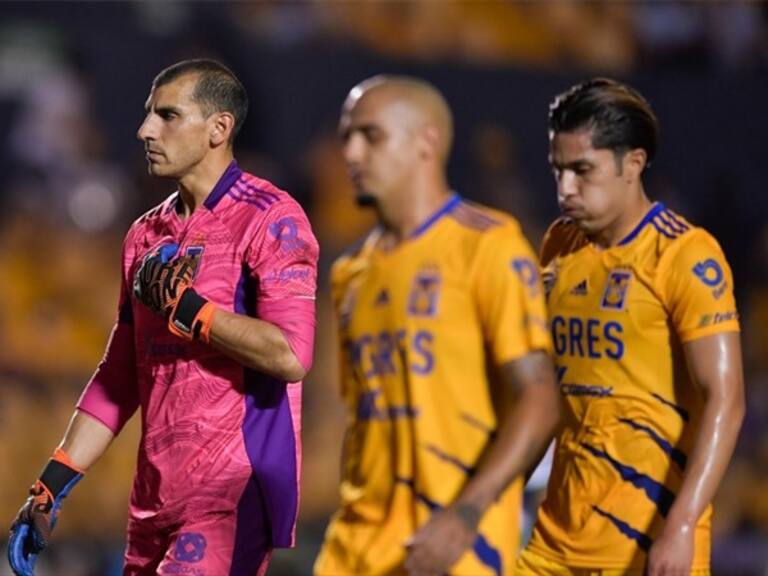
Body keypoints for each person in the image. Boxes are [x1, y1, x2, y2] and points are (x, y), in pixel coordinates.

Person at [8, 59, 319, 576]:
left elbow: (290, 355)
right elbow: (119, 373)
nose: (145, 130)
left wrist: (191, 310)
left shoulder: (272, 218)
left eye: (168, 115)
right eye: (148, 114)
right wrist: (51, 483)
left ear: (219, 127)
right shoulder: (144, 236)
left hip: (231, 494)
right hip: (155, 498)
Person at [313, 75, 560, 576]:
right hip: (355, 548)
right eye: (347, 138)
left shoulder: (488, 245)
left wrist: (468, 513)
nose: (352, 154)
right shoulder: (350, 274)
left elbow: (540, 398)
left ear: (426, 141)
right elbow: (360, 417)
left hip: (450, 544)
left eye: (371, 136)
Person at [516, 78, 745, 576]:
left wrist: (682, 525)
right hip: (553, 542)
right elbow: (551, 391)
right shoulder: (559, 243)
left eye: (582, 171)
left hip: (646, 541)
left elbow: (726, 399)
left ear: (633, 164)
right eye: (558, 170)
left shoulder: (685, 255)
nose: (565, 189)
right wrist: (499, 491)